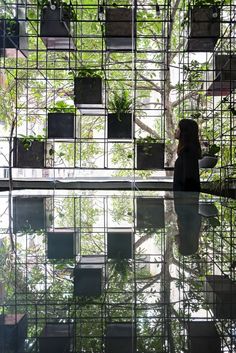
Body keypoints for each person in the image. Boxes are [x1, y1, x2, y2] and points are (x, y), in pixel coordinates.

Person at [173, 119, 201, 192]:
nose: (176, 130)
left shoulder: (188, 152)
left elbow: (188, 181)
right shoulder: (187, 151)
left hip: (185, 200)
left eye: (178, 127)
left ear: (185, 132)